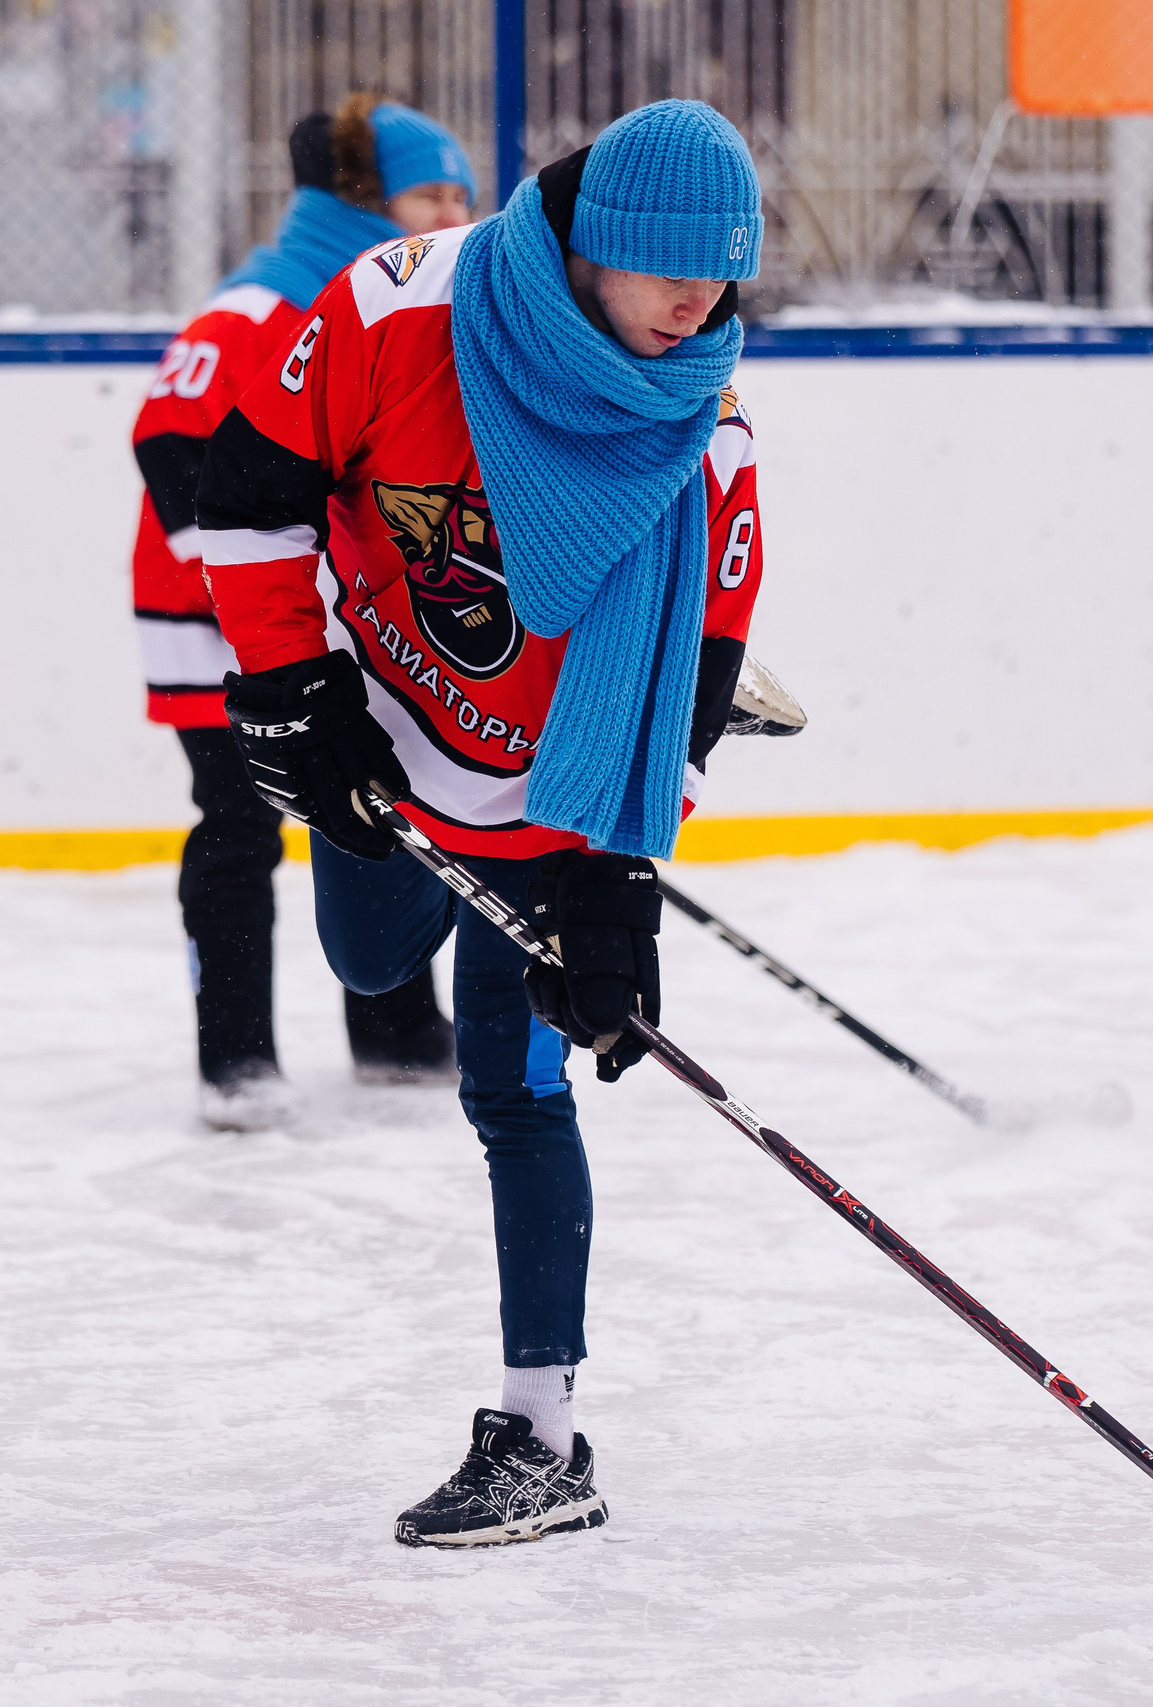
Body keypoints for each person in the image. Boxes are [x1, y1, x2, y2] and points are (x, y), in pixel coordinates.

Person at [196, 99, 769, 1545]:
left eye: (724, 274)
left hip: (555, 786)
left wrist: (619, 883)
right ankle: (414, 885)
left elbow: (692, 686)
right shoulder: (403, 309)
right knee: (369, 960)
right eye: (668, 269)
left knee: (518, 1090)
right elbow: (247, 488)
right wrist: (284, 692)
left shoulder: (709, 424)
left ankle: (541, 1430)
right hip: (383, 729)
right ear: (591, 248)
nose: (698, 303)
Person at [127, 95, 476, 1130]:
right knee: (238, 826)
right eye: (430, 194)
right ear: (358, 199)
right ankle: (235, 1059)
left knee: (374, 803)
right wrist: (251, 596)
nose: (451, 214)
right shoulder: (257, 308)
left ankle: (397, 1031)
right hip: (214, 625)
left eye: (463, 194)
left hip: (330, 622)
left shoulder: (392, 313)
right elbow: (168, 442)